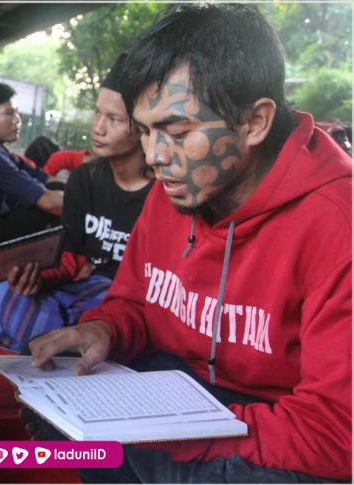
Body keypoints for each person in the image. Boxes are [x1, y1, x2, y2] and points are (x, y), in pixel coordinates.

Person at [28, 4, 351, 483]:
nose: (154, 158)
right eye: (144, 131)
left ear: (255, 122)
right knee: (59, 419)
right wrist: (107, 330)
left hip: (277, 422)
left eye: (176, 132)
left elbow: (336, 433)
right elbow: (133, 303)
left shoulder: (336, 224)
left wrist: (177, 432)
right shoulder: (176, 190)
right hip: (185, 392)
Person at [0, 54, 154, 352]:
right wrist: (37, 278)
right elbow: (72, 256)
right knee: (0, 293)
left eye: (114, 119)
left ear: (142, 128)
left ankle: (66, 336)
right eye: (97, 113)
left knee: (97, 321)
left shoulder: (162, 193)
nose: (98, 128)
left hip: (129, 300)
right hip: (84, 286)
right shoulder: (84, 179)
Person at [0, 81, 64, 244]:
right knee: (54, 204)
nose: (17, 120)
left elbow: (45, 178)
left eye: (16, 112)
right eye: (9, 113)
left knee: (59, 189)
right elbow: (51, 203)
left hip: (0, 218)